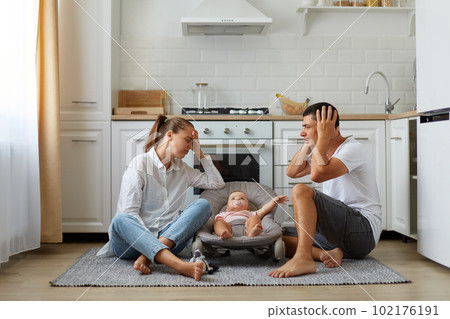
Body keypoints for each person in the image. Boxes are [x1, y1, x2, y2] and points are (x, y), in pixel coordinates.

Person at [97, 115, 225, 281]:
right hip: (130, 244)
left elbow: (217, 184)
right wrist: (148, 243)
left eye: (192, 142)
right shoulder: (140, 164)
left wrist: (199, 152)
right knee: (121, 219)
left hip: (168, 240)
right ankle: (179, 265)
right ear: (170, 135)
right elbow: (130, 213)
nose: (190, 146)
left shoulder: (183, 170)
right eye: (188, 140)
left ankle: (149, 257)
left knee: (203, 205)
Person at [269, 102, 382, 278]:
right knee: (275, 236)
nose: (302, 132)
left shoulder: (353, 149)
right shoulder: (325, 154)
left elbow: (317, 175)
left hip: (362, 231)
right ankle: (327, 254)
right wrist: (309, 143)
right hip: (337, 235)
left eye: (307, 127)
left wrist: (321, 138)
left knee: (300, 190)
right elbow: (292, 171)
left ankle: (303, 257)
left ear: (327, 127)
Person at [213, 191, 289, 239]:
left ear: (248, 208)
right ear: (227, 208)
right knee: (218, 222)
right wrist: (221, 224)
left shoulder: (249, 213)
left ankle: (252, 232)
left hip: (246, 228)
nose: (238, 200)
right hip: (230, 228)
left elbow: (264, 209)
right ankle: (224, 232)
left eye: (242, 198)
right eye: (233, 198)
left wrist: (274, 201)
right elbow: (219, 222)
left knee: (255, 218)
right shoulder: (224, 214)